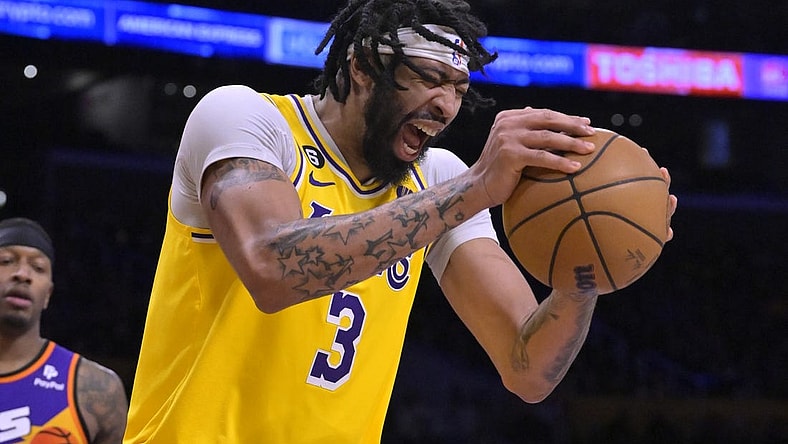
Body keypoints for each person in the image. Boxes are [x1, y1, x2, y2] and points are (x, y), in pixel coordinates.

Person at [124, 0, 678, 442]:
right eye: (429, 78)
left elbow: (527, 368)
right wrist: (478, 187)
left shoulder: (437, 175)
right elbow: (273, 268)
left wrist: (585, 272)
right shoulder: (248, 119)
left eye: (458, 89)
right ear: (362, 67)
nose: (446, 105)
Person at [0, 217, 129, 444]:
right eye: (6, 261)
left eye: (38, 267)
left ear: (48, 294)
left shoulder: (95, 389)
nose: (22, 274)